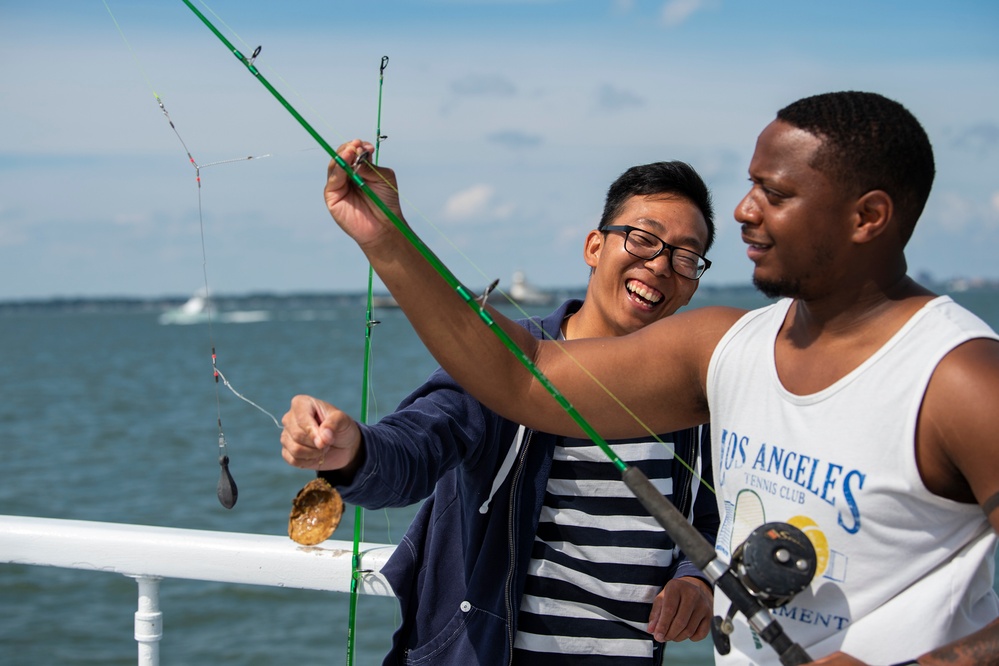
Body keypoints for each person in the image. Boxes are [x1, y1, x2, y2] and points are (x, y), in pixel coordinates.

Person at [317, 90, 999, 666]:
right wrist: (388, 239)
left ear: (867, 217)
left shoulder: (961, 377)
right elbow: (526, 377)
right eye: (750, 184)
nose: (743, 210)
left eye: (775, 192)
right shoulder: (722, 348)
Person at [282, 161, 722, 664]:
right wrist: (352, 449)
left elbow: (710, 522)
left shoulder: (693, 399)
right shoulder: (508, 364)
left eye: (687, 257)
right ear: (594, 247)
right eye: (644, 239)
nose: (662, 265)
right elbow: (416, 448)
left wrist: (696, 579)